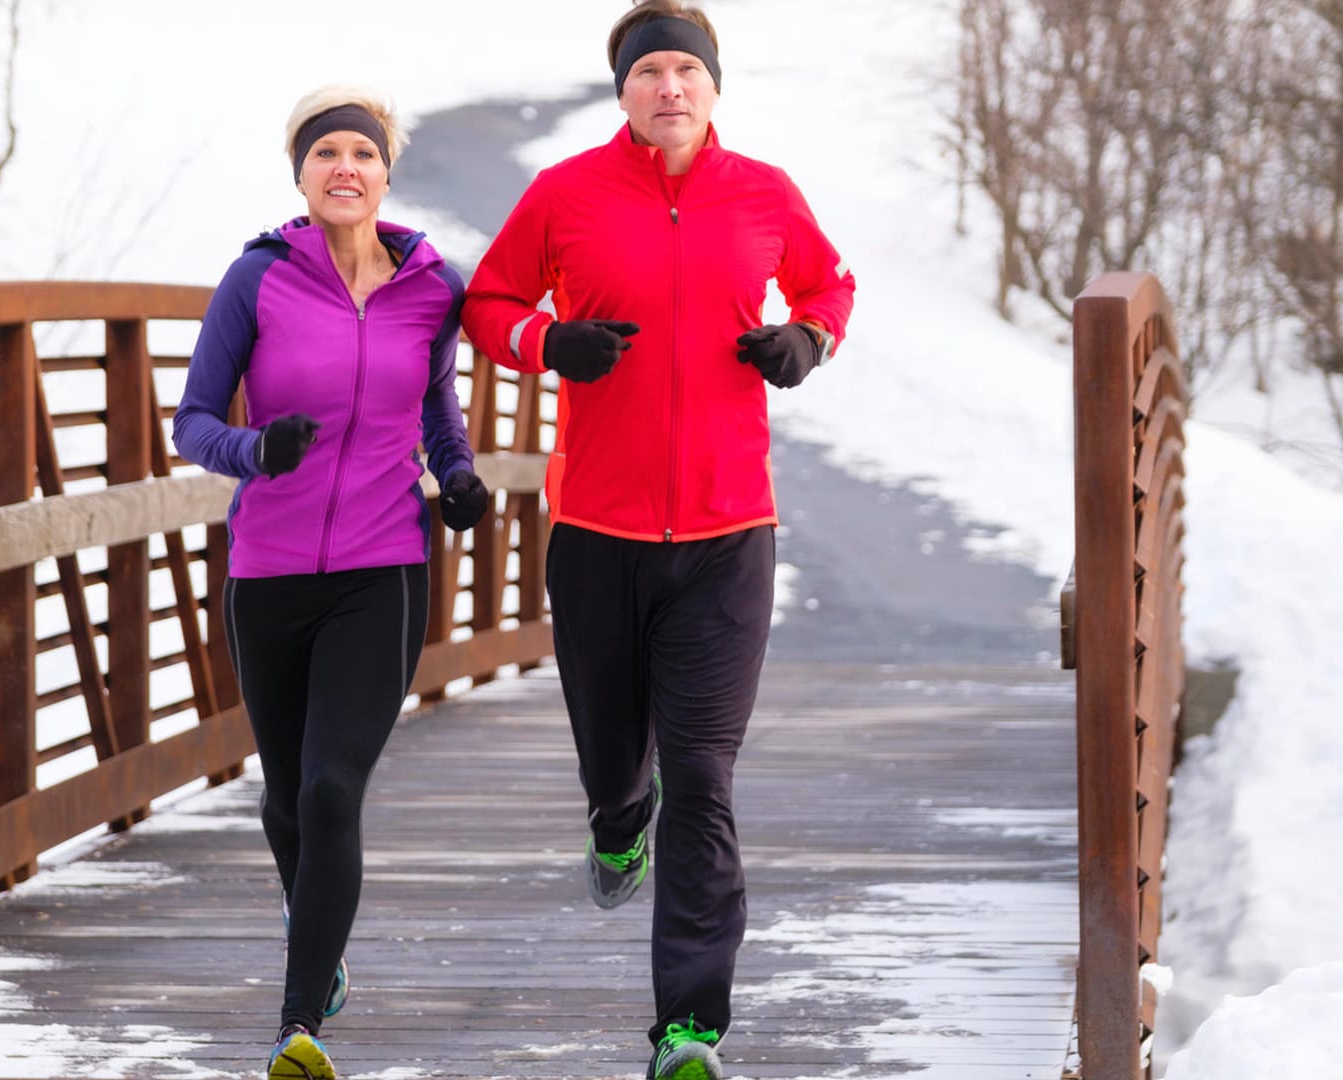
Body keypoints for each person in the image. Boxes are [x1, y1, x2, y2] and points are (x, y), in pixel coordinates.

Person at [462, 3, 856, 1077]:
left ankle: (689, 1025)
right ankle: (612, 818)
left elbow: (829, 282)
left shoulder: (764, 193)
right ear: (623, 92)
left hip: (729, 534)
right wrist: (551, 340)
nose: (669, 88)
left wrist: (804, 339)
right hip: (597, 528)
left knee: (704, 770)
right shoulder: (565, 195)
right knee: (613, 754)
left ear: (713, 88)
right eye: (650, 74)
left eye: (687, 71)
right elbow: (487, 302)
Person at [172, 84, 491, 1080]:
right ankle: (325, 947)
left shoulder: (432, 289)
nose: (344, 167)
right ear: (301, 176)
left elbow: (437, 408)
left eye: (362, 152)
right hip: (267, 568)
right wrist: (259, 450)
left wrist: (464, 476)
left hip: (382, 564)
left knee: (329, 787)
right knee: (283, 798)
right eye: (325, 155)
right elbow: (191, 425)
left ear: (386, 171)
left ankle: (298, 1022)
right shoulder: (255, 280)